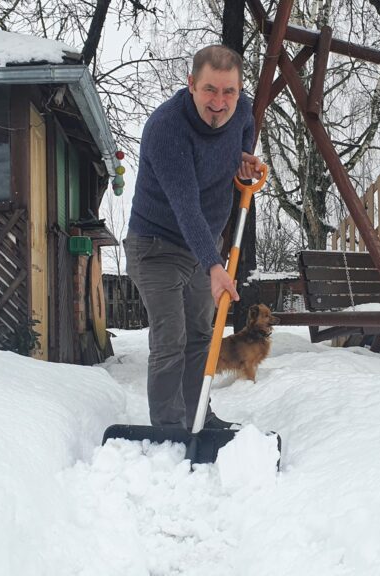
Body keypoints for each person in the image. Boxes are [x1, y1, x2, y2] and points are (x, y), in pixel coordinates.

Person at [124, 45, 263, 430]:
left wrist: (242, 154)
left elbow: (246, 124)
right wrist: (214, 265)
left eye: (229, 92)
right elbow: (186, 207)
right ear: (190, 85)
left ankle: (199, 414)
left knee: (202, 335)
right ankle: (169, 428)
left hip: (202, 247)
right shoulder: (166, 128)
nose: (219, 103)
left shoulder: (241, 107)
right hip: (156, 245)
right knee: (171, 340)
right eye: (209, 90)